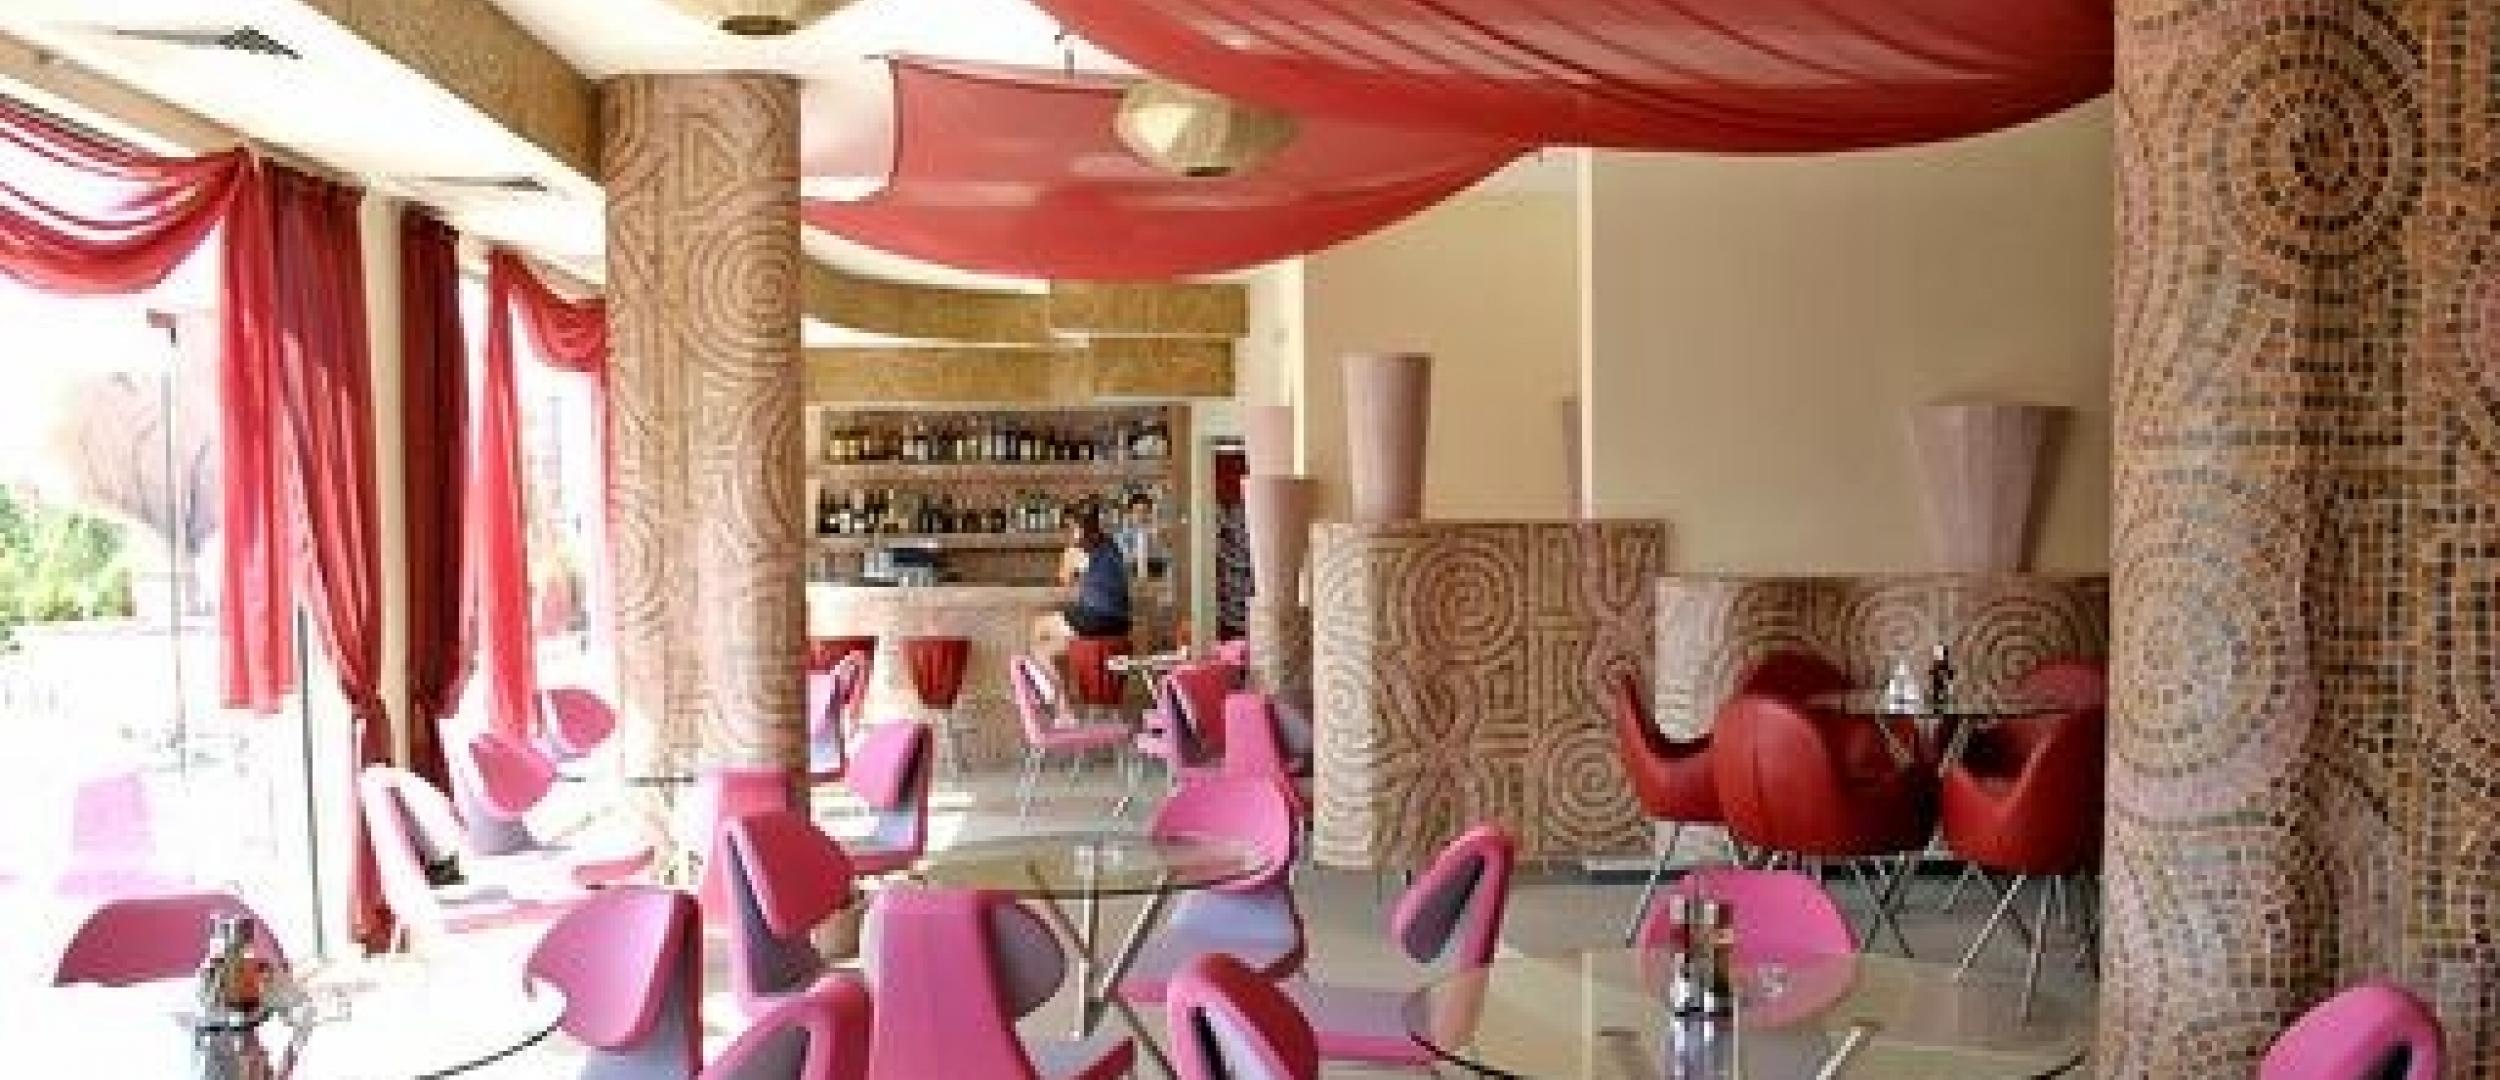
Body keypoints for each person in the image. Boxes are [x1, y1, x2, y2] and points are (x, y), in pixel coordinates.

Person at [1033, 502, 1131, 670]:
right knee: (1057, 644)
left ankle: (1049, 685)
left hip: (1096, 618)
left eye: (1071, 528)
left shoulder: (1079, 549)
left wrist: (1069, 550)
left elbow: (1065, 579)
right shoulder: (1111, 544)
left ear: (1079, 528)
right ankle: (1057, 681)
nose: (1070, 532)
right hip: (1121, 622)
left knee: (1040, 627)